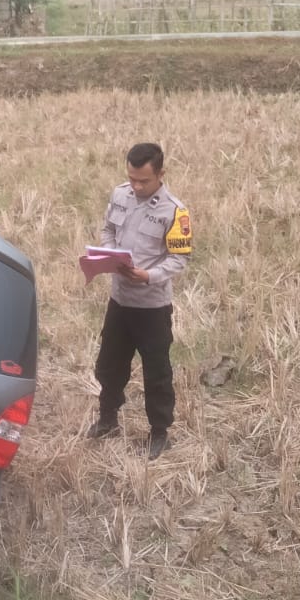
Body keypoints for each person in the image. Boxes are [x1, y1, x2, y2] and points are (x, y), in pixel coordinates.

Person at [86, 142, 192, 459]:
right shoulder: (120, 195)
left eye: (143, 180)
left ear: (161, 173)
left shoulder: (175, 211)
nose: (136, 185)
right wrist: (108, 253)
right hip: (120, 302)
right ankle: (108, 419)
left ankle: (160, 433)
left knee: (156, 372)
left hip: (152, 308)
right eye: (132, 178)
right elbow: (108, 230)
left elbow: (180, 260)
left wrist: (148, 276)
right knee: (108, 365)